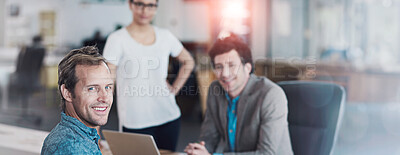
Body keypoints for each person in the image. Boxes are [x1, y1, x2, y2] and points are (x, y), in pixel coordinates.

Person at [103, 0, 195, 151]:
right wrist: (98, 117)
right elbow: (108, 81)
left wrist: (174, 90)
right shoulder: (117, 39)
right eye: (140, 4)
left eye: (151, 5)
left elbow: (188, 61)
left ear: (156, 8)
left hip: (168, 117)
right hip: (134, 121)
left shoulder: (165, 36)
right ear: (131, 4)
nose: (145, 10)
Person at [184, 34, 293, 155]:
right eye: (219, 67)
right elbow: (209, 138)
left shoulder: (271, 95)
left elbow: (267, 153)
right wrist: (199, 150)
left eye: (231, 66)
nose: (225, 74)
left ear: (247, 67)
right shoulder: (215, 90)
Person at [41, 46, 114, 154]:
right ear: (67, 93)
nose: (104, 98)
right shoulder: (72, 147)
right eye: (92, 88)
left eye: (108, 87)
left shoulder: (80, 137)